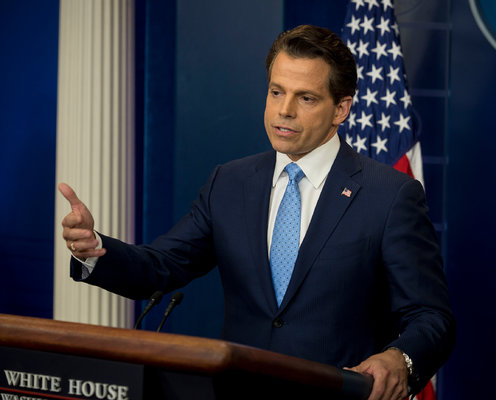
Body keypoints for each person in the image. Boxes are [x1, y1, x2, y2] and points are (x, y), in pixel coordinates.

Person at [59, 25, 455, 400]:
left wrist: (399, 358)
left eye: (306, 98)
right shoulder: (230, 183)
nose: (284, 110)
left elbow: (431, 316)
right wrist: (93, 249)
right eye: (276, 92)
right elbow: (161, 266)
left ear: (341, 109)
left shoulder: (390, 195)